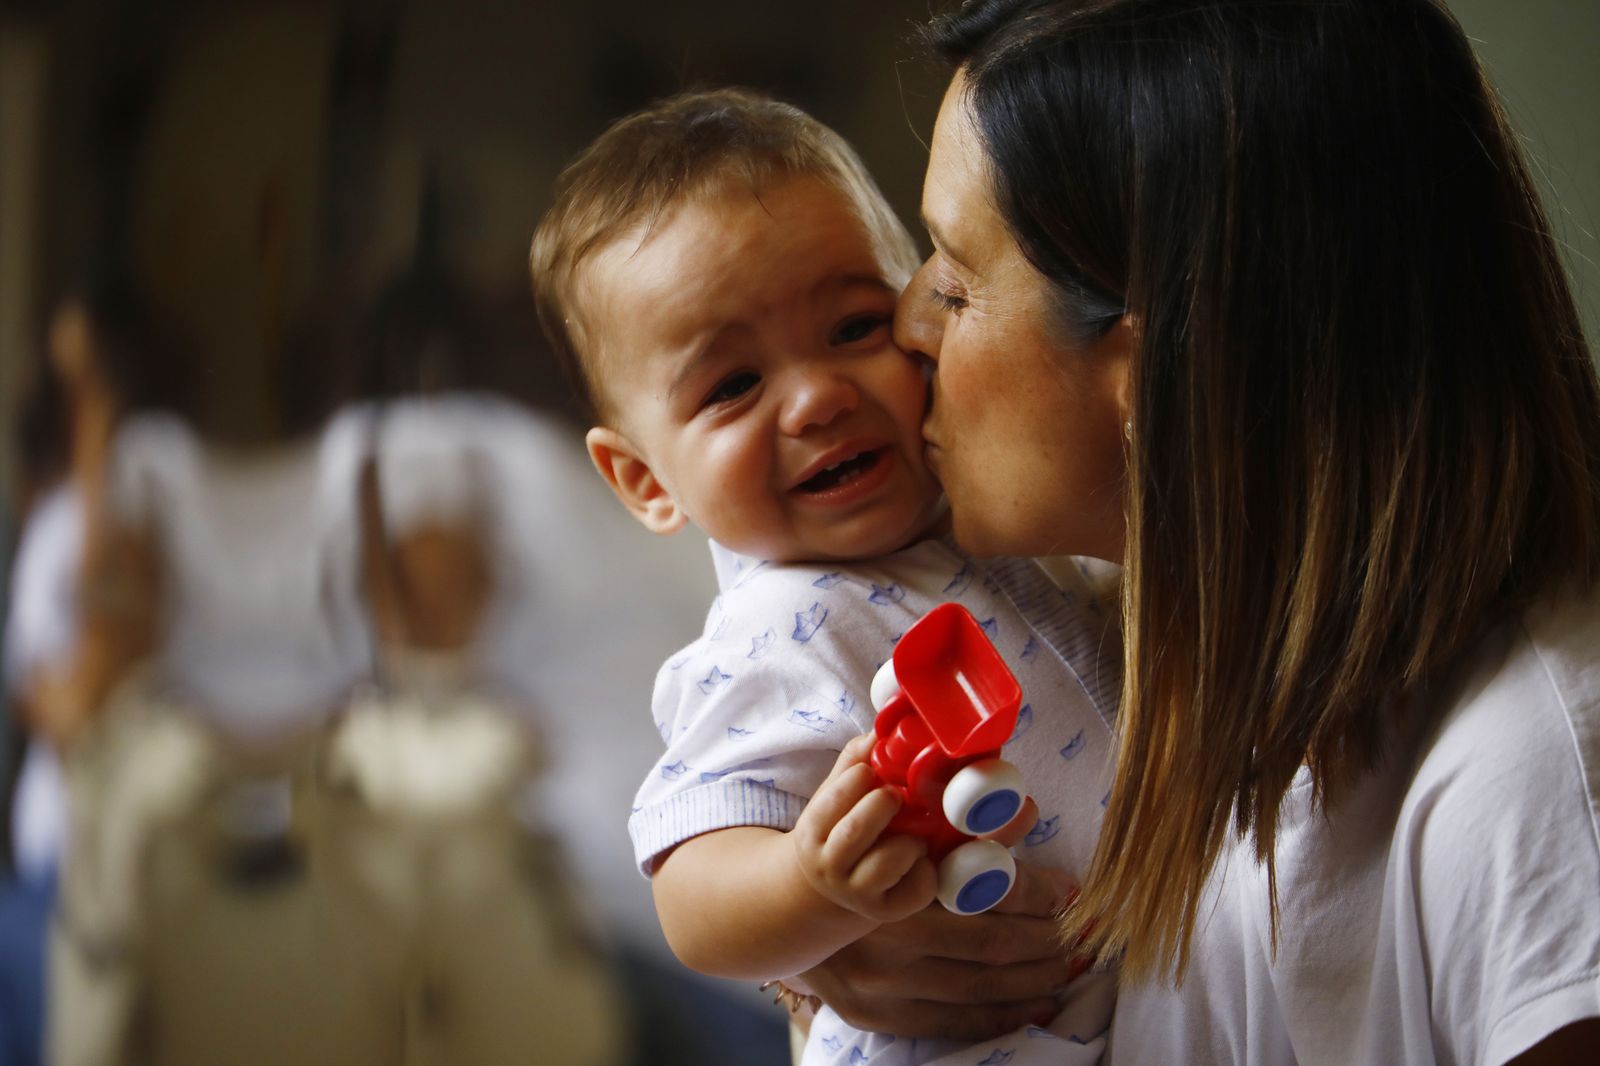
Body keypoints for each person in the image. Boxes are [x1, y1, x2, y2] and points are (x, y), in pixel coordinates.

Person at [807, 1, 1600, 1063]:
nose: (907, 325)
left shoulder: (1532, 794)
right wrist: (833, 954)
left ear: (1159, 369)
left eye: (953, 283)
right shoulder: (1171, 675)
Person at [529, 88, 1121, 1065]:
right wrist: (811, 888)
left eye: (853, 327)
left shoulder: (1002, 512)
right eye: (732, 385)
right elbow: (690, 894)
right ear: (644, 480)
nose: (815, 398)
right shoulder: (779, 630)